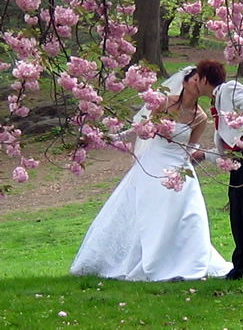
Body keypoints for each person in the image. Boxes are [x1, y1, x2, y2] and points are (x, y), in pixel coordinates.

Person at [70, 66, 232, 282]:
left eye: (198, 80)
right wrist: (111, 137)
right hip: (154, 161)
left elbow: (190, 149)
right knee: (149, 211)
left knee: (189, 214)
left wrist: (207, 159)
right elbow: (143, 129)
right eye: (193, 79)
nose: (195, 83)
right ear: (184, 83)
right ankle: (144, 258)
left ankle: (187, 259)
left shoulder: (200, 117)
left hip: (179, 168)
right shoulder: (164, 104)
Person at [192, 60, 243, 281]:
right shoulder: (217, 98)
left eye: (197, 78)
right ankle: (242, 266)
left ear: (203, 79)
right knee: (238, 215)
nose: (195, 83)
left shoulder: (229, 89)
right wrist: (203, 155)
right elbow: (226, 144)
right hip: (237, 161)